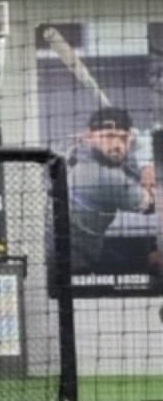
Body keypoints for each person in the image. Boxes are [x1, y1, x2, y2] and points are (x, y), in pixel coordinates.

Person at [63, 107, 156, 276]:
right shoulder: (104, 177)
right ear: (89, 137)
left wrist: (145, 163)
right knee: (155, 255)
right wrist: (146, 159)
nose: (117, 145)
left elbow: (130, 167)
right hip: (74, 260)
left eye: (123, 138)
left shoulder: (76, 152)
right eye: (109, 136)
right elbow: (152, 203)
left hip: (80, 248)